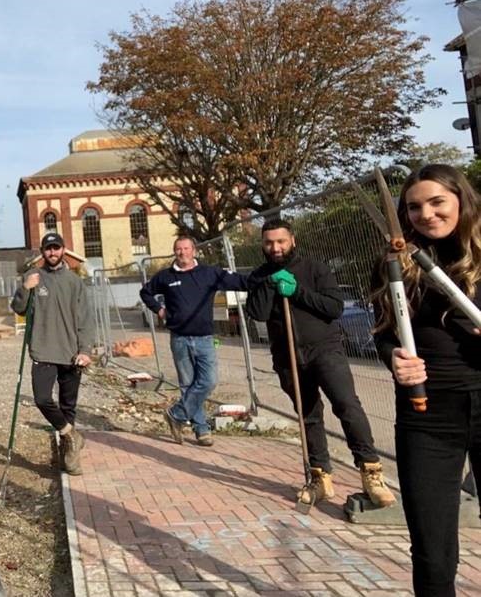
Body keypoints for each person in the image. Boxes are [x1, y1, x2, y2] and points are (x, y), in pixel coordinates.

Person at [370, 164, 481, 596]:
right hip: (428, 417)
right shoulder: (393, 264)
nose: (426, 214)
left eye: (437, 202)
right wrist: (393, 358)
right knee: (434, 555)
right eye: (414, 207)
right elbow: (382, 334)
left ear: (461, 201)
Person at [245, 218, 395, 508]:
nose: (275, 248)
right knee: (309, 415)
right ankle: (319, 477)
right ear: (263, 244)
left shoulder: (315, 268)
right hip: (287, 356)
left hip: (325, 350)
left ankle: (371, 472)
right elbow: (258, 313)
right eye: (269, 242)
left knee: (347, 405)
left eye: (281, 241)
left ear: (293, 240)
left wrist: (296, 290)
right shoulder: (259, 275)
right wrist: (269, 284)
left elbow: (333, 307)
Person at [140, 235, 247, 446]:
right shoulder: (165, 277)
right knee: (187, 385)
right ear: (175, 252)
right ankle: (201, 430)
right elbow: (146, 292)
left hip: (204, 339)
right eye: (178, 249)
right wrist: (159, 310)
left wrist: (266, 278)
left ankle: (176, 414)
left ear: (194, 251)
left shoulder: (209, 273)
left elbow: (240, 281)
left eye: (186, 249)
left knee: (208, 381)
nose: (183, 253)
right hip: (179, 338)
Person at [11, 232, 93, 475]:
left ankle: (69, 457)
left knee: (68, 406)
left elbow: (85, 320)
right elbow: (18, 308)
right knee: (42, 399)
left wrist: (85, 350)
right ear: (43, 252)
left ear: (63, 250)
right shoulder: (33, 277)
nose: (52, 253)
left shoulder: (75, 282)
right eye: (48, 249)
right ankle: (71, 435)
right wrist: (26, 289)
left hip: (71, 354)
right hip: (43, 350)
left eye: (56, 248)